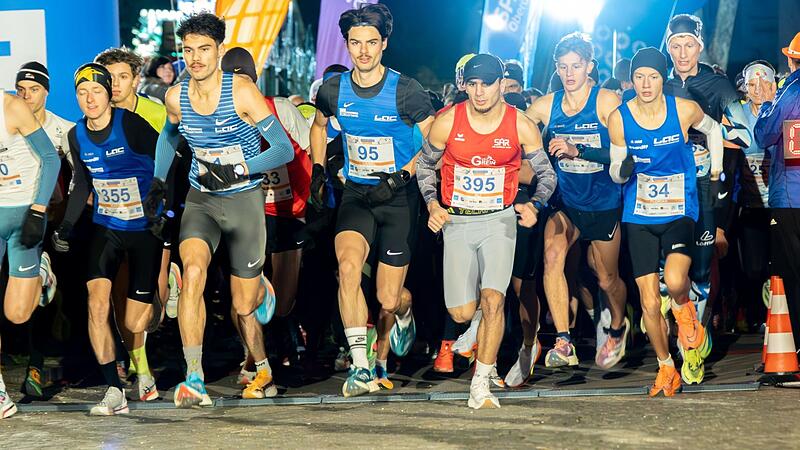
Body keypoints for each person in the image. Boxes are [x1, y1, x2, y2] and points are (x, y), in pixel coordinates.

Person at [144, 12, 294, 407]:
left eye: (204, 50)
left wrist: (240, 167)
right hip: (202, 200)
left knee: (243, 306)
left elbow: (282, 149)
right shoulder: (175, 96)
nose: (195, 58)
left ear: (220, 51)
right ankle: (195, 376)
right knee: (192, 273)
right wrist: (159, 182)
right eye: (188, 50)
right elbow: (169, 134)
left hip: (244, 198)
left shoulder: (242, 91)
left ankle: (262, 363)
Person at [309, 3, 435, 397]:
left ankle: (406, 309)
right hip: (357, 194)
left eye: (371, 43)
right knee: (347, 269)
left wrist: (401, 176)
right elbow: (318, 126)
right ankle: (361, 368)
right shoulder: (333, 88)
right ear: (346, 45)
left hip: (398, 199)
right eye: (355, 43)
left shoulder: (406, 90)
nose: (363, 51)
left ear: (384, 44)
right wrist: (317, 168)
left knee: (387, 298)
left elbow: (436, 143)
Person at [417, 53, 555, 408]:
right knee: (462, 313)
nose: (479, 93)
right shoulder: (446, 122)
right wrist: (433, 204)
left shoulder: (521, 124)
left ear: (501, 84)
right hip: (458, 221)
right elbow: (424, 167)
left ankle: (481, 383)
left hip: (500, 221)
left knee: (496, 299)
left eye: (487, 84)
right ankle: (475, 318)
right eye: (473, 85)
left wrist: (534, 204)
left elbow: (547, 174)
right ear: (465, 85)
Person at [51, 63, 166, 415]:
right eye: (82, 93)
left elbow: (169, 158)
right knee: (97, 304)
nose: (89, 99)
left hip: (146, 230)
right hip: (107, 227)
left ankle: (165, 287)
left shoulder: (129, 124)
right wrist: (67, 226)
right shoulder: (76, 134)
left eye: (96, 91)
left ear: (108, 93)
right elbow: (82, 183)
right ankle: (114, 390)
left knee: (135, 323)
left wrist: (166, 212)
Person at [609, 47, 722, 394]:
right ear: (633, 79)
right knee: (647, 302)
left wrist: (715, 172)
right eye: (640, 76)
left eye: (653, 77)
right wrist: (621, 169)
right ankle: (665, 366)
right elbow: (615, 169)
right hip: (639, 212)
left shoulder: (684, 109)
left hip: (678, 208)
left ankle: (686, 312)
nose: (645, 84)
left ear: (663, 78)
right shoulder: (619, 118)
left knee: (675, 282)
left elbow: (715, 130)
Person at [526, 32, 629, 369]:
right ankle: (564, 340)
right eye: (563, 67)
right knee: (553, 255)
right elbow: (515, 135)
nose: (569, 74)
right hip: (565, 200)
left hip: (603, 202)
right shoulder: (544, 105)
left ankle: (617, 325)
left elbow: (624, 157)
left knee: (605, 278)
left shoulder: (607, 102)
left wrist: (576, 149)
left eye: (576, 66)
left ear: (589, 67)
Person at [220, 47, 312, 380]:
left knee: (283, 303)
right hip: (246, 215)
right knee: (242, 298)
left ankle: (271, 308)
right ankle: (251, 356)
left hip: (287, 212)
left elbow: (309, 149)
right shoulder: (221, 118)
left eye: (244, 81)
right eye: (231, 83)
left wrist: (311, 194)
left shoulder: (282, 109)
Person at [664, 14, 752, 325]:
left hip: (704, 182)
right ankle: (677, 328)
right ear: (669, 48)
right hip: (664, 183)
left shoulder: (717, 84)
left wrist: (706, 130)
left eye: (689, 45)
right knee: (667, 271)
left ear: (700, 48)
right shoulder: (657, 82)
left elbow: (744, 135)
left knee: (701, 268)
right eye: (676, 45)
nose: (683, 53)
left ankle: (696, 337)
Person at [0, 82, 60, 420]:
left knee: (17, 314)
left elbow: (50, 159)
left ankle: (42, 271)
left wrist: (38, 211)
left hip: (23, 214)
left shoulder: (12, 108)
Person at [14, 61, 71, 398]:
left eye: (34, 90)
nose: (27, 96)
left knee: (56, 299)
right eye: (21, 89)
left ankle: (39, 366)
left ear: (46, 92)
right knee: (26, 296)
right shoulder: (8, 124)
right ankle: (33, 365)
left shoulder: (64, 129)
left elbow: (80, 178)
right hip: (17, 223)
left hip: (55, 224)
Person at [754, 31, 800, 348]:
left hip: (792, 199)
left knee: (795, 275)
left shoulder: (791, 92)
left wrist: (768, 103)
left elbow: (767, 135)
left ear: (790, 59)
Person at [733, 60, 776, 328]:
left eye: (763, 84)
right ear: (744, 88)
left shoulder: (785, 110)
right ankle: (755, 313)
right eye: (751, 84)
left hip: (781, 204)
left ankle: (776, 317)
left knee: (781, 264)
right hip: (749, 204)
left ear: (773, 86)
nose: (757, 90)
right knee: (753, 268)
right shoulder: (737, 115)